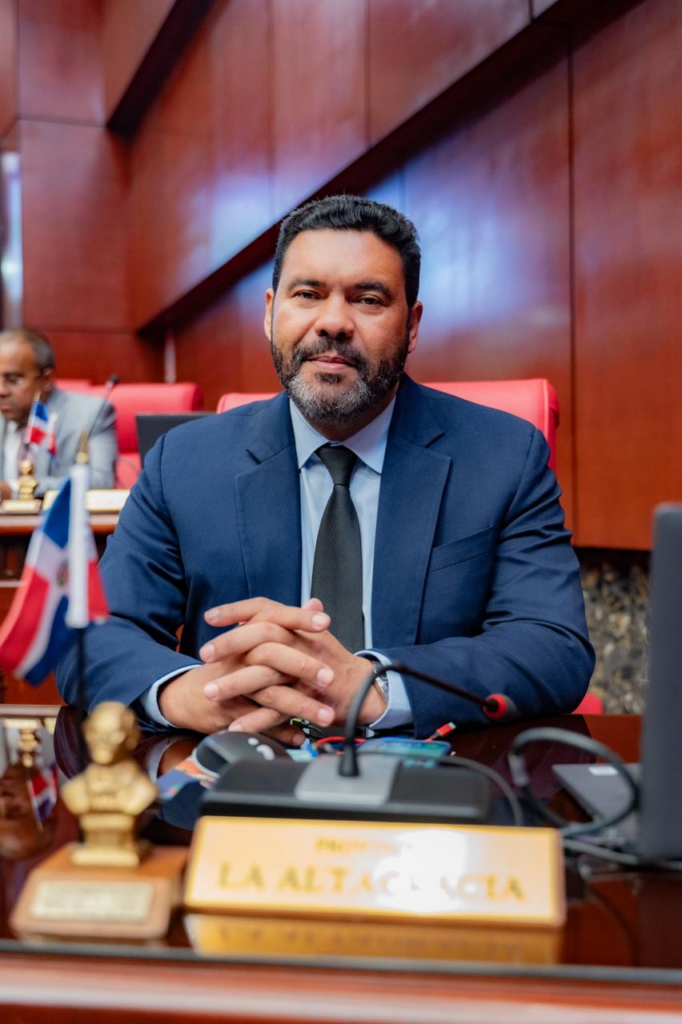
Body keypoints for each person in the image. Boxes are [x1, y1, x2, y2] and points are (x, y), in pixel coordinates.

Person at [57, 195, 594, 740]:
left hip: (428, 772)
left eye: (368, 299)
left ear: (411, 326)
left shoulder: (503, 457)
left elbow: (552, 645)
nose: (333, 322)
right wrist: (189, 694)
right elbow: (92, 634)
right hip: (238, 769)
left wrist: (374, 686)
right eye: (308, 294)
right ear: (271, 312)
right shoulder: (183, 462)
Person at [0, 329, 117, 497]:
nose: (2, 391)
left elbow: (101, 483)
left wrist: (16, 489)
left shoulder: (92, 413)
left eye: (13, 380)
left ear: (46, 380)